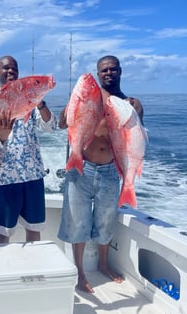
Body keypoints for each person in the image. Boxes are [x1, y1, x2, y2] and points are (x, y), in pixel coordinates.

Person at [57, 55, 144, 293]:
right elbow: (61, 124)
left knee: (106, 221)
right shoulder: (89, 97)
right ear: (98, 74)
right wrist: (72, 106)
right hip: (81, 168)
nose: (108, 73)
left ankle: (104, 264)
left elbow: (135, 139)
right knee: (78, 221)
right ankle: (80, 272)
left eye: (112, 69)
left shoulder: (130, 103)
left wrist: (138, 111)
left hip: (109, 171)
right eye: (104, 70)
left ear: (120, 71)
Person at [0, 55, 57, 244]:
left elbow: (50, 126)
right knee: (3, 232)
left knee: (34, 228)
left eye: (14, 68)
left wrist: (40, 102)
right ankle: (4, 267)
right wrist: (3, 134)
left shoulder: (30, 96)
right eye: (5, 68)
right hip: (4, 177)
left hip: (32, 175)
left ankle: (34, 269)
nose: (10, 71)